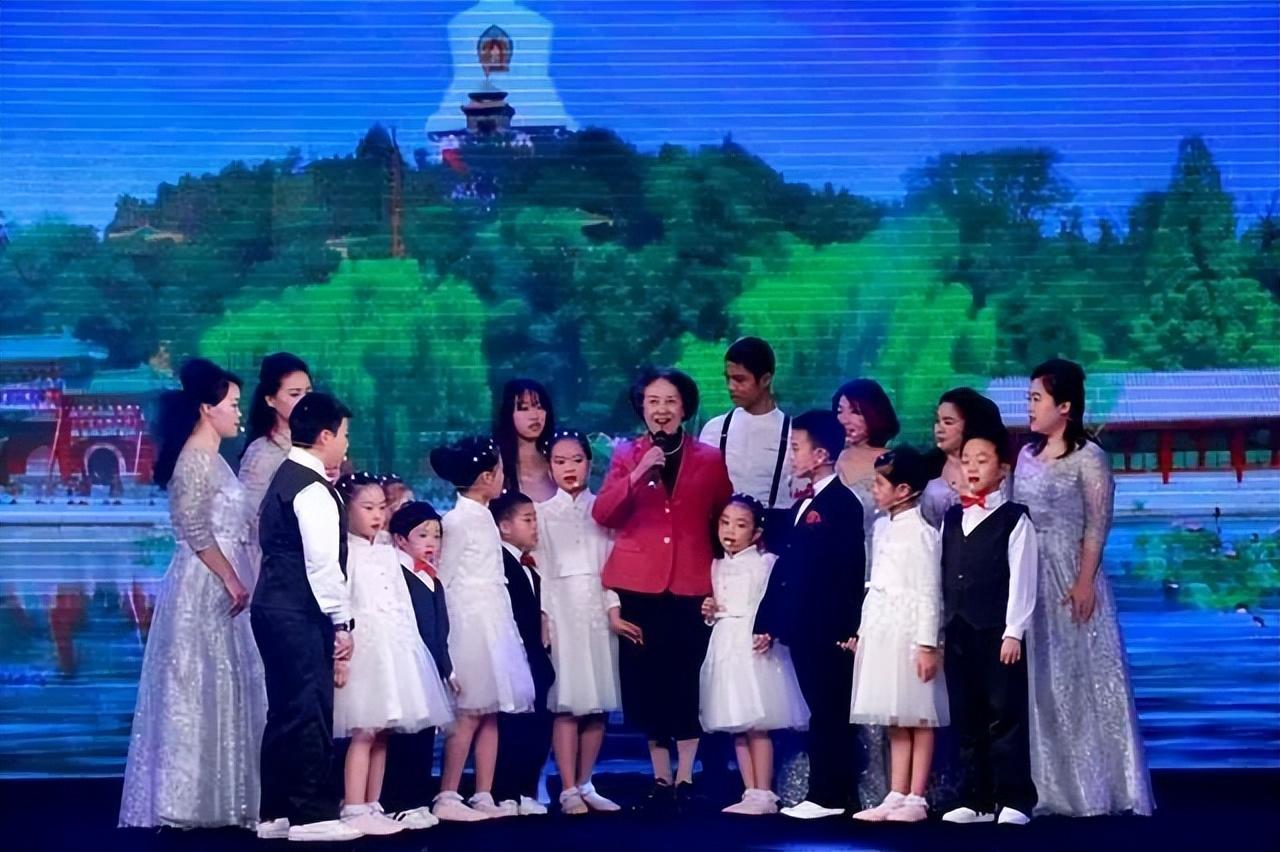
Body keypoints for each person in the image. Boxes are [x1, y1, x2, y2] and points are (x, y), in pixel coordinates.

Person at [119, 359, 267, 830]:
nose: (238, 413)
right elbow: (195, 529)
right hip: (203, 584)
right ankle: (187, 800)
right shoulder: (196, 459)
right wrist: (230, 578)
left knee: (225, 685)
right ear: (207, 408)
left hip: (222, 578)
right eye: (232, 404)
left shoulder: (214, 458)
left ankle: (227, 798)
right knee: (197, 685)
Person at [1013, 358, 1154, 817]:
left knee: (1075, 679)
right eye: (1029, 397)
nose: (1029, 406)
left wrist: (1084, 581)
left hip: (1070, 574)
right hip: (1028, 572)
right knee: (1037, 679)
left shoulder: (1089, 457)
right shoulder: (1025, 455)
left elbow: (1097, 525)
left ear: (1065, 406)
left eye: (1037, 398)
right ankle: (1042, 785)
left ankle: (1091, 787)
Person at [593, 367, 733, 813]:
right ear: (642, 408)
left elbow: (724, 520)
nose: (661, 410)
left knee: (685, 679)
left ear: (685, 408)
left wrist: (724, 584)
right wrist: (638, 473)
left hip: (691, 583)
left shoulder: (709, 459)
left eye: (670, 401)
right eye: (653, 401)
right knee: (647, 684)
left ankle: (686, 775)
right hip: (639, 585)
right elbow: (603, 513)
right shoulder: (627, 455)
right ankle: (659, 775)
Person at [251, 392, 360, 842]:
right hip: (297, 610)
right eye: (345, 435)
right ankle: (311, 814)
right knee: (309, 708)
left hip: (272, 607)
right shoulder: (312, 488)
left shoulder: (285, 476)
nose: (347, 444)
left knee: (286, 710)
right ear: (325, 436)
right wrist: (342, 622)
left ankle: (276, 812)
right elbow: (322, 565)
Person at [753, 410, 865, 820]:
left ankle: (830, 795)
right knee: (821, 708)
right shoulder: (805, 503)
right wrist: (768, 621)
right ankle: (828, 793)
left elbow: (850, 570)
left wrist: (848, 627)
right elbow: (785, 569)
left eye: (796, 447)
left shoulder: (842, 504)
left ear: (821, 455)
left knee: (830, 710)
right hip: (802, 625)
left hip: (828, 626)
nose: (791, 455)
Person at [332, 473, 454, 834]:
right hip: (365, 649)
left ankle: (374, 803)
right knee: (364, 730)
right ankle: (354, 805)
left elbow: (402, 603)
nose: (376, 515)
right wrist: (340, 653)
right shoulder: (345, 552)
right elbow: (341, 602)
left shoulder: (387, 551)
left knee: (383, 730)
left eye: (381, 508)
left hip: (395, 646)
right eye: (367, 508)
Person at [429, 437, 536, 822]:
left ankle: (483, 793)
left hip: (494, 621)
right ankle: (447, 794)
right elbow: (444, 578)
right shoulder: (457, 521)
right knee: (469, 712)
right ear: (487, 477)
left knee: (491, 710)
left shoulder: (485, 517)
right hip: (469, 624)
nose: (504, 476)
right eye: (501, 470)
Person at [940, 420, 1039, 826]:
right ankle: (976, 798)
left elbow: (1023, 579)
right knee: (967, 715)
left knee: (1005, 714)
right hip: (958, 629)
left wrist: (1014, 630)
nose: (972, 467)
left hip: (997, 631)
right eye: (966, 460)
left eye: (982, 460)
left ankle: (1014, 798)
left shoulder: (1014, 519)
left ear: (1003, 469)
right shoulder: (951, 518)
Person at [847, 446, 948, 824]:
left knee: (918, 714)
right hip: (883, 627)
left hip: (909, 632)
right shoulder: (881, 527)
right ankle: (896, 792)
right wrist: (863, 631)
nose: (872, 489)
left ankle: (916, 797)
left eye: (879, 483)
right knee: (895, 712)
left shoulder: (922, 534)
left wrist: (927, 643)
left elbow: (929, 591)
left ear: (904, 489)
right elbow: (875, 583)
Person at [699, 494, 809, 816]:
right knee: (737, 721)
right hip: (725, 643)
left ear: (756, 532)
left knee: (757, 723)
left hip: (753, 644)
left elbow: (780, 603)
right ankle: (750, 791)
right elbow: (718, 606)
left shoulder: (766, 563)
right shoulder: (716, 565)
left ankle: (764, 791)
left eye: (740, 525)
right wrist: (709, 611)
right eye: (725, 523)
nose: (730, 531)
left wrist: (771, 631)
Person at [535, 429, 622, 815]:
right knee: (567, 702)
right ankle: (567, 786)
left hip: (598, 609)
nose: (569, 468)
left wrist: (613, 607)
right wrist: (545, 618)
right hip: (562, 611)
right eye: (560, 461)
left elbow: (614, 565)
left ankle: (587, 782)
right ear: (549, 468)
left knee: (598, 702)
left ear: (590, 463)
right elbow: (541, 571)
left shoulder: (605, 510)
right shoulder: (541, 514)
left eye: (576, 460)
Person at [830, 378, 900, 806]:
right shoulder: (830, 458)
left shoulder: (891, 462)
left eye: (854, 410)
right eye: (840, 410)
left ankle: (884, 780)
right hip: (837, 577)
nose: (845, 419)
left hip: (879, 574)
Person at [383, 500, 459, 823]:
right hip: (405, 665)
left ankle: (416, 799)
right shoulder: (396, 576)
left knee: (425, 731)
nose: (432, 543)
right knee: (404, 734)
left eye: (437, 535)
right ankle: (397, 802)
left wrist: (448, 669)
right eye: (423, 535)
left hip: (430, 668)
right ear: (400, 540)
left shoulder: (433, 580)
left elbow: (440, 631)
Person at [491, 491, 556, 817]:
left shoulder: (530, 565)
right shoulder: (498, 563)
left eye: (535, 519)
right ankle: (504, 790)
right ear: (504, 526)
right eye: (527, 519)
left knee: (538, 724)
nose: (534, 526)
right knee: (512, 725)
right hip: (512, 655)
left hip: (534, 656)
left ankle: (527, 788)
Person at [237, 353, 312, 595]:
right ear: (270, 399)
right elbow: (249, 520)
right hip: (280, 570)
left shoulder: (321, 443)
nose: (304, 402)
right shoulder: (263, 453)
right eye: (294, 394)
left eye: (308, 393)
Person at [698, 337, 793, 511]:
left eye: (740, 379)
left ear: (765, 379)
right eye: (728, 378)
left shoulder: (793, 434)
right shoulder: (714, 430)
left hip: (775, 525)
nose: (731, 386)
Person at [920, 387, 1005, 529]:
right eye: (937, 421)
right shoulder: (927, 467)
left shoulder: (994, 467)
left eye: (948, 422)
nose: (939, 429)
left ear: (970, 425)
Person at [494, 378, 558, 502]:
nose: (535, 416)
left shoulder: (559, 463)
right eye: (524, 408)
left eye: (539, 407)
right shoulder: (497, 472)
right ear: (507, 413)